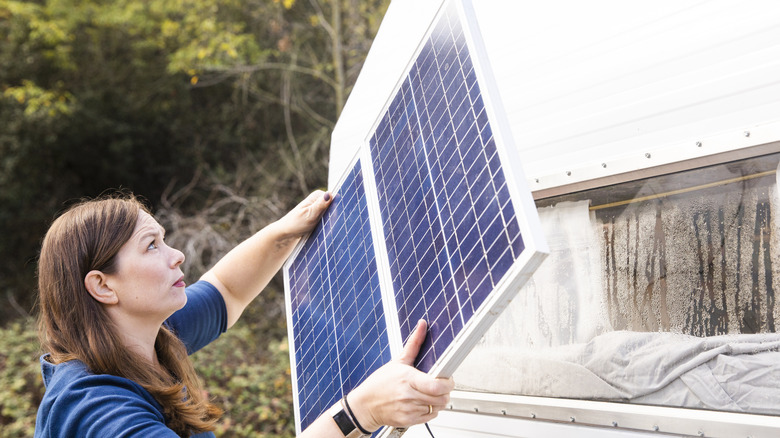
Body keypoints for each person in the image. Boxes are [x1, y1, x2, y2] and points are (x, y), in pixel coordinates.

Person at [35, 190, 454, 437]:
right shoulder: (96, 408)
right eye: (151, 246)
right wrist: (360, 413)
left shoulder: (144, 337)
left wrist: (286, 229)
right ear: (103, 286)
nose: (177, 255)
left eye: (166, 240)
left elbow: (228, 291)